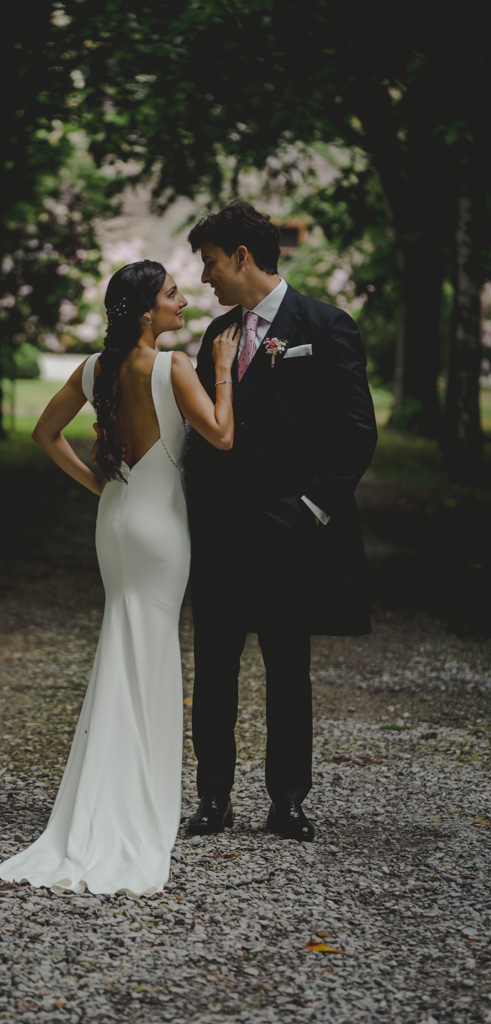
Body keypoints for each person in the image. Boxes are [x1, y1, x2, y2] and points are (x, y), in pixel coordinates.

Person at [0, 260, 239, 895]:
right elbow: (223, 435)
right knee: (149, 655)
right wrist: (224, 375)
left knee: (121, 648)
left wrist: (97, 486)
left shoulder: (95, 368)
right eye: (173, 295)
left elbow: (46, 434)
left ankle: (105, 792)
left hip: (115, 521)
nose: (183, 303)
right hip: (160, 531)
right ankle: (137, 801)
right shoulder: (174, 366)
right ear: (147, 311)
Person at [184, 201, 378, 842]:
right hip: (219, 536)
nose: (205, 277)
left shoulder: (325, 326)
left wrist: (308, 512)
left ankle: (288, 801)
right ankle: (212, 798)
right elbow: (207, 436)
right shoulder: (217, 335)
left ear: (242, 256)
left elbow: (355, 435)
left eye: (211, 262)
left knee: (287, 669)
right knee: (213, 669)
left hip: (290, 535)